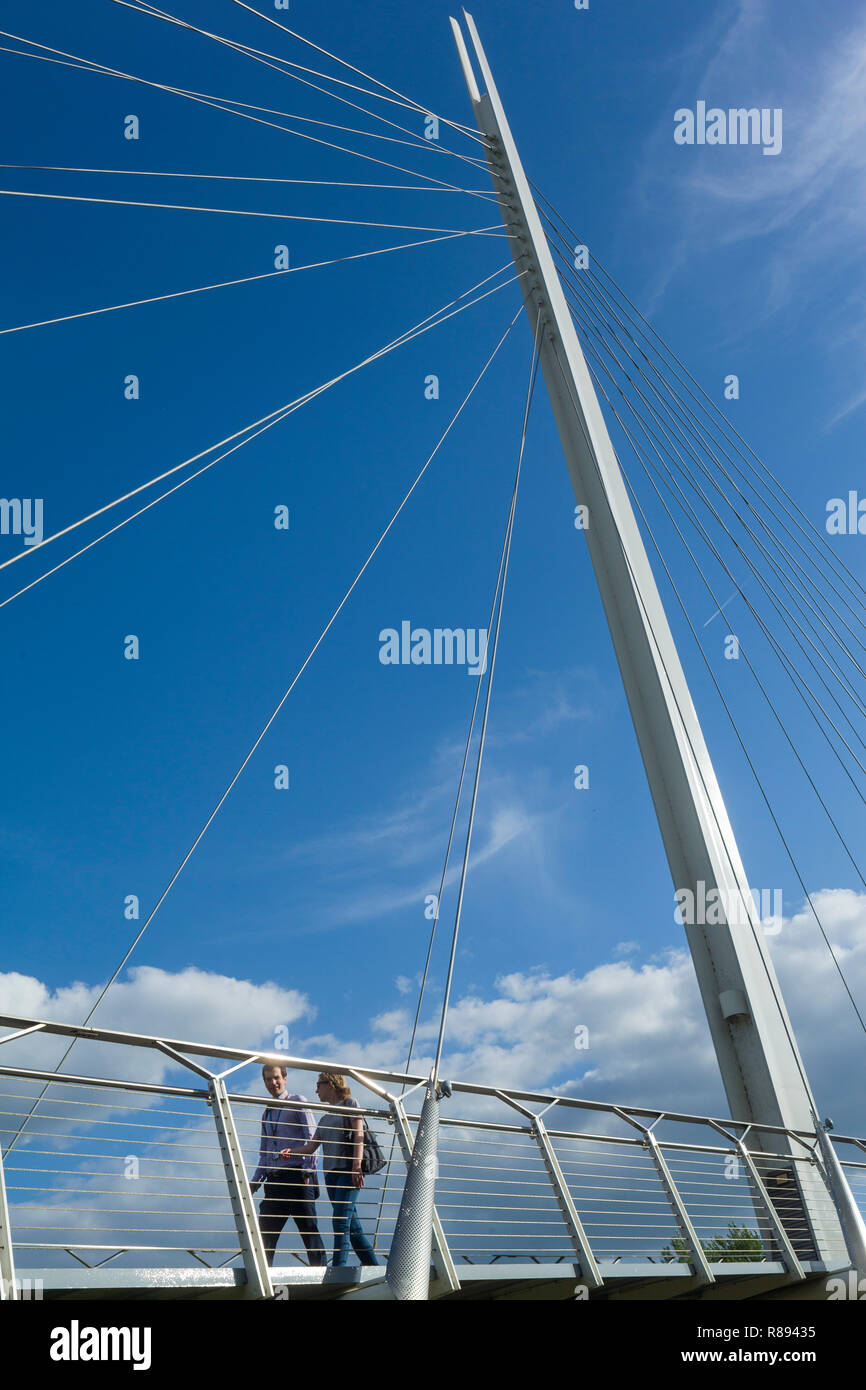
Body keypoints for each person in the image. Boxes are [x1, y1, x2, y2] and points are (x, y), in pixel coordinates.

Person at [280, 1072, 379, 1267]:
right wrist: (290, 1151)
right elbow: (310, 1148)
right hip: (331, 1177)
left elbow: (359, 1135)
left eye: (319, 1085)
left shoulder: (350, 1104)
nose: (316, 1090)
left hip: (346, 1172)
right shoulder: (324, 1118)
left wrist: (356, 1167)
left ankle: (338, 1270)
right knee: (353, 1229)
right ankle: (376, 1270)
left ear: (330, 1084)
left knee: (340, 1221)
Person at [249, 1063, 326, 1267]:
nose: (272, 1083)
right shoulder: (267, 1113)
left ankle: (321, 1274)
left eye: (276, 1078)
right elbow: (264, 1152)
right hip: (275, 1180)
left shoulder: (298, 1101)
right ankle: (263, 1276)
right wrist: (255, 1182)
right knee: (265, 1232)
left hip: (298, 1175)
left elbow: (312, 1138)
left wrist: (308, 1171)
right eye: (267, 1079)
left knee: (309, 1228)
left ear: (284, 1078)